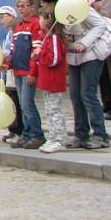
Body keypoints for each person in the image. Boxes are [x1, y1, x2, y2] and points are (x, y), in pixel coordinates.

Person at [38, 0, 110, 149]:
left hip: (91, 54)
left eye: (44, 4)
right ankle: (81, 134)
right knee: (75, 95)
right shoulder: (55, 17)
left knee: (88, 94)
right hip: (74, 56)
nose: (43, 8)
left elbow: (100, 24)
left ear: (52, 2)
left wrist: (84, 42)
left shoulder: (75, 5)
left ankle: (100, 135)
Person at [7, 0, 45, 150]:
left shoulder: (36, 24)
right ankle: (27, 133)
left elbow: (36, 50)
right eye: (19, 6)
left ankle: (37, 134)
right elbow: (13, 49)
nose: (21, 9)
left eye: (24, 5)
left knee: (28, 103)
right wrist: (7, 64)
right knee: (22, 104)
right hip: (17, 70)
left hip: (28, 71)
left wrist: (32, 71)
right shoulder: (18, 26)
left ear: (31, 6)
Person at [30, 12, 68, 153]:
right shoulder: (46, 39)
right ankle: (53, 137)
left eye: (40, 18)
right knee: (49, 111)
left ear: (47, 21)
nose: (38, 20)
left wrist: (40, 55)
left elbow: (54, 60)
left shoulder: (53, 39)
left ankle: (60, 139)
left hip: (53, 81)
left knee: (55, 111)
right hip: (46, 82)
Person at [0, 6, 23, 144]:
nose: (0, 21)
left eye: (2, 17)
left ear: (11, 16)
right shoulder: (9, 33)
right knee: (11, 99)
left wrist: (6, 60)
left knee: (16, 101)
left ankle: (20, 130)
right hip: (9, 70)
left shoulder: (17, 31)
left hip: (16, 70)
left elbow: (14, 52)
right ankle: (13, 129)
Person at [90, 0, 111, 113]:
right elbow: (89, 4)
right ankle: (108, 104)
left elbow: (106, 10)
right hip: (100, 38)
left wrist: (99, 6)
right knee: (103, 74)